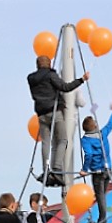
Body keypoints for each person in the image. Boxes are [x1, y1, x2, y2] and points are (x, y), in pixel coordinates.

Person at [27, 55, 90, 187]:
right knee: (62, 140)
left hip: (41, 114)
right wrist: (81, 80)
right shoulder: (50, 75)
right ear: (49, 64)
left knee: (46, 142)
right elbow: (65, 87)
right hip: (54, 111)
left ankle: (46, 170)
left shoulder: (31, 79)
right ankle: (56, 169)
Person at [80, 104, 112, 223]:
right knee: (103, 195)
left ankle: (102, 221)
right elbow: (110, 125)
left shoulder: (85, 140)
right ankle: (103, 219)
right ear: (95, 126)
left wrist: (85, 170)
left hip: (98, 172)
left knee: (100, 195)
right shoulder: (102, 134)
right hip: (108, 170)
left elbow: (89, 154)